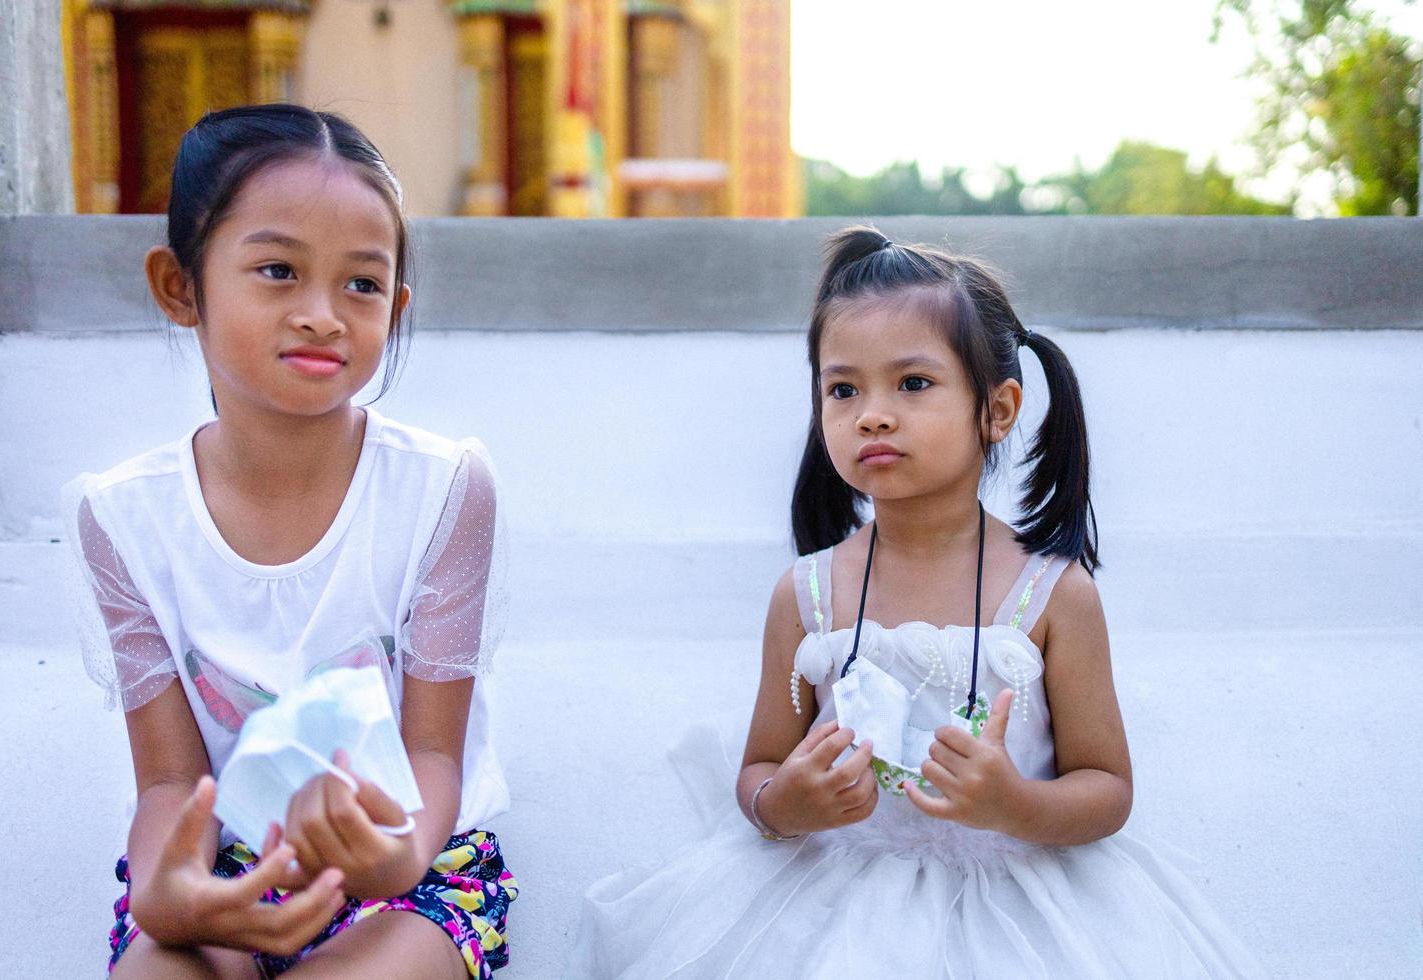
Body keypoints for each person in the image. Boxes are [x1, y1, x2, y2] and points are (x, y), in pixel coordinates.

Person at [572, 227, 1265, 978]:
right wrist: (784, 805)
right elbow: (762, 765)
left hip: (1020, 915)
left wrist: (1014, 805)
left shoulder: (1053, 595)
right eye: (843, 390)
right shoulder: (805, 594)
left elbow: (1107, 788)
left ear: (998, 410)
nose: (872, 413)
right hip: (828, 908)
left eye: (912, 384)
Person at [65, 104, 516, 979]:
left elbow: (431, 754)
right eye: (278, 270)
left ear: (397, 303)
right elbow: (168, 784)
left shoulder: (443, 491)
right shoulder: (122, 520)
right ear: (180, 286)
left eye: (362, 284)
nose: (323, 315)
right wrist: (168, 896)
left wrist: (389, 857)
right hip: (222, 863)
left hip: (414, 868)